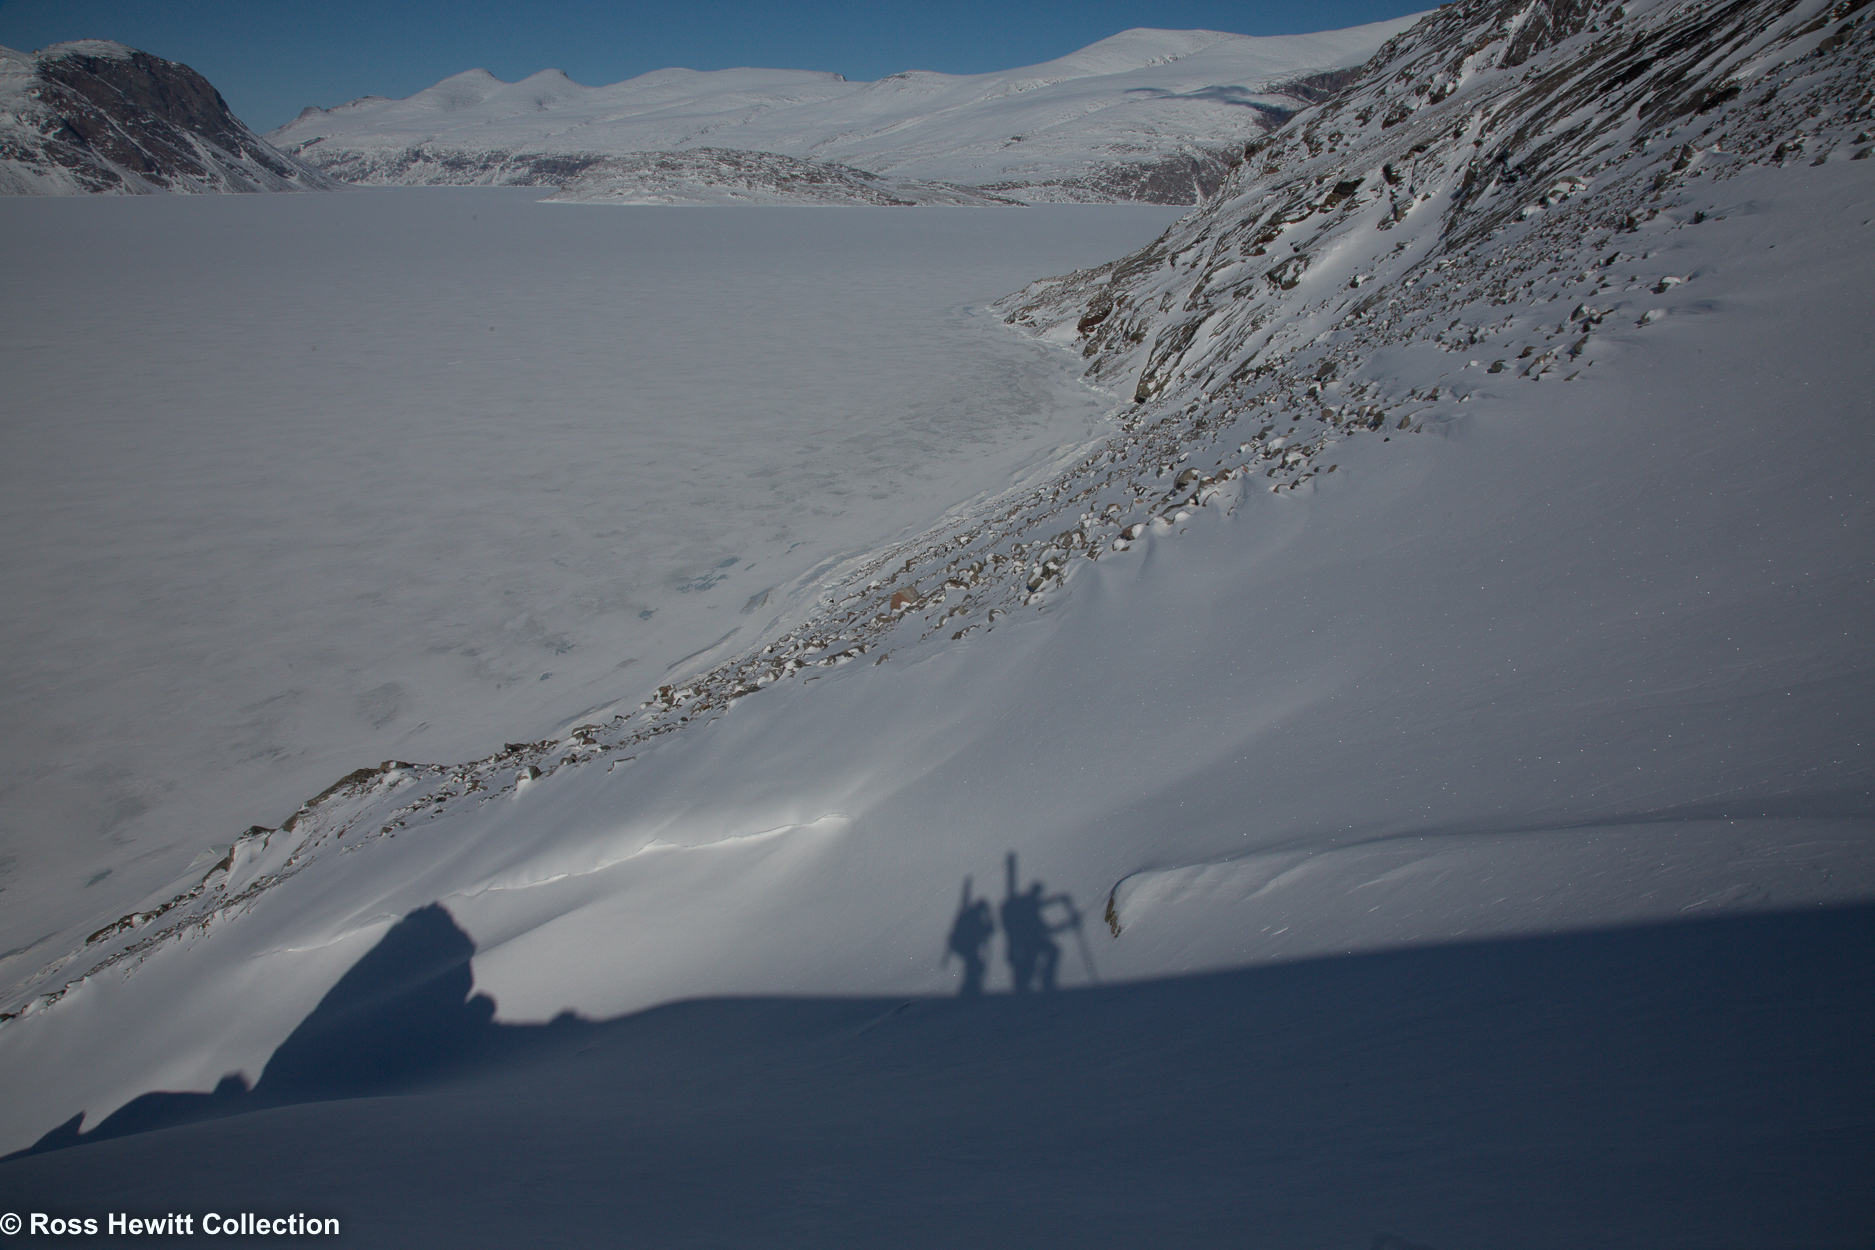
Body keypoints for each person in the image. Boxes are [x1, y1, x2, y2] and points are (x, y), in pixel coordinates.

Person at [1000, 852, 1078, 992]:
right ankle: (1044, 983)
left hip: (1029, 941)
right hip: (1028, 942)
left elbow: (1043, 915)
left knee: (1038, 960)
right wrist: (1067, 922)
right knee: (1032, 964)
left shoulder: (1028, 904)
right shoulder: (1027, 905)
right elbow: (1045, 926)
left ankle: (1044, 983)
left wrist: (1065, 917)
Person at [945, 876, 995, 997]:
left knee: (974, 965)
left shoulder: (977, 918)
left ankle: (972, 987)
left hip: (967, 946)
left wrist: (989, 914)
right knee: (973, 964)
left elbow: (991, 930)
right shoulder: (969, 915)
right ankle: (970, 988)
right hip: (964, 945)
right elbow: (964, 901)